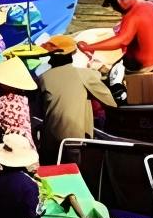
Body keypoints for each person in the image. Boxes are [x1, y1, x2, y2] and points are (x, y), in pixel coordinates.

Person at [35, 35, 112, 165]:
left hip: (49, 143)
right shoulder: (84, 74)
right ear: (71, 54)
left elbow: (38, 111)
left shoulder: (43, 78)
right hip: (75, 143)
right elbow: (112, 103)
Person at [78, 0, 153, 73]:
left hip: (147, 67)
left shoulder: (131, 14)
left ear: (117, 0)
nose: (113, 8)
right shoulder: (150, 5)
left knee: (111, 77)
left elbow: (122, 41)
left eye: (111, 4)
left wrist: (89, 47)